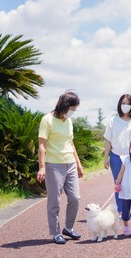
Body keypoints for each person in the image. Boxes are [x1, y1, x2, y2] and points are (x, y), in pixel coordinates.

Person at [37, 90, 83, 244]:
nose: (73, 112)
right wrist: (42, 167)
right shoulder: (47, 120)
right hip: (53, 165)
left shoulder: (68, 121)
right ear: (64, 106)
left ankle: (68, 228)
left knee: (75, 198)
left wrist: (78, 163)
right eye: (72, 108)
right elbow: (42, 145)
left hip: (70, 163)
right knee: (54, 201)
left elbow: (70, 143)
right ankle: (55, 232)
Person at [103, 94, 131, 218]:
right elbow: (108, 141)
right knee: (119, 184)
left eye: (128, 103)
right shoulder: (113, 120)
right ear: (119, 105)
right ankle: (122, 211)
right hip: (116, 157)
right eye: (123, 103)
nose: (125, 106)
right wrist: (106, 157)